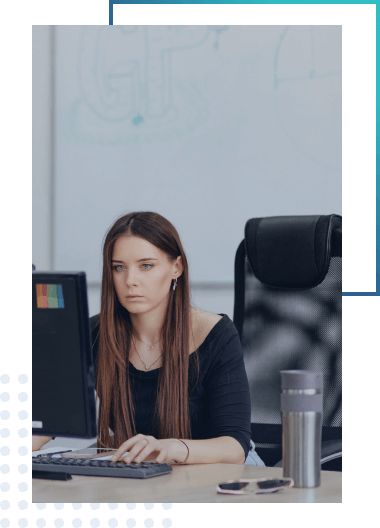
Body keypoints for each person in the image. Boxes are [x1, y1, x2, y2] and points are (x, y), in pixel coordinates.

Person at [33, 211, 265, 467]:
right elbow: (51, 422)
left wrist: (172, 447)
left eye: (146, 266)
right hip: (146, 471)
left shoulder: (215, 334)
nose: (130, 280)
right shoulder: (96, 334)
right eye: (119, 267)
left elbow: (234, 446)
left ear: (176, 267)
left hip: (216, 470)